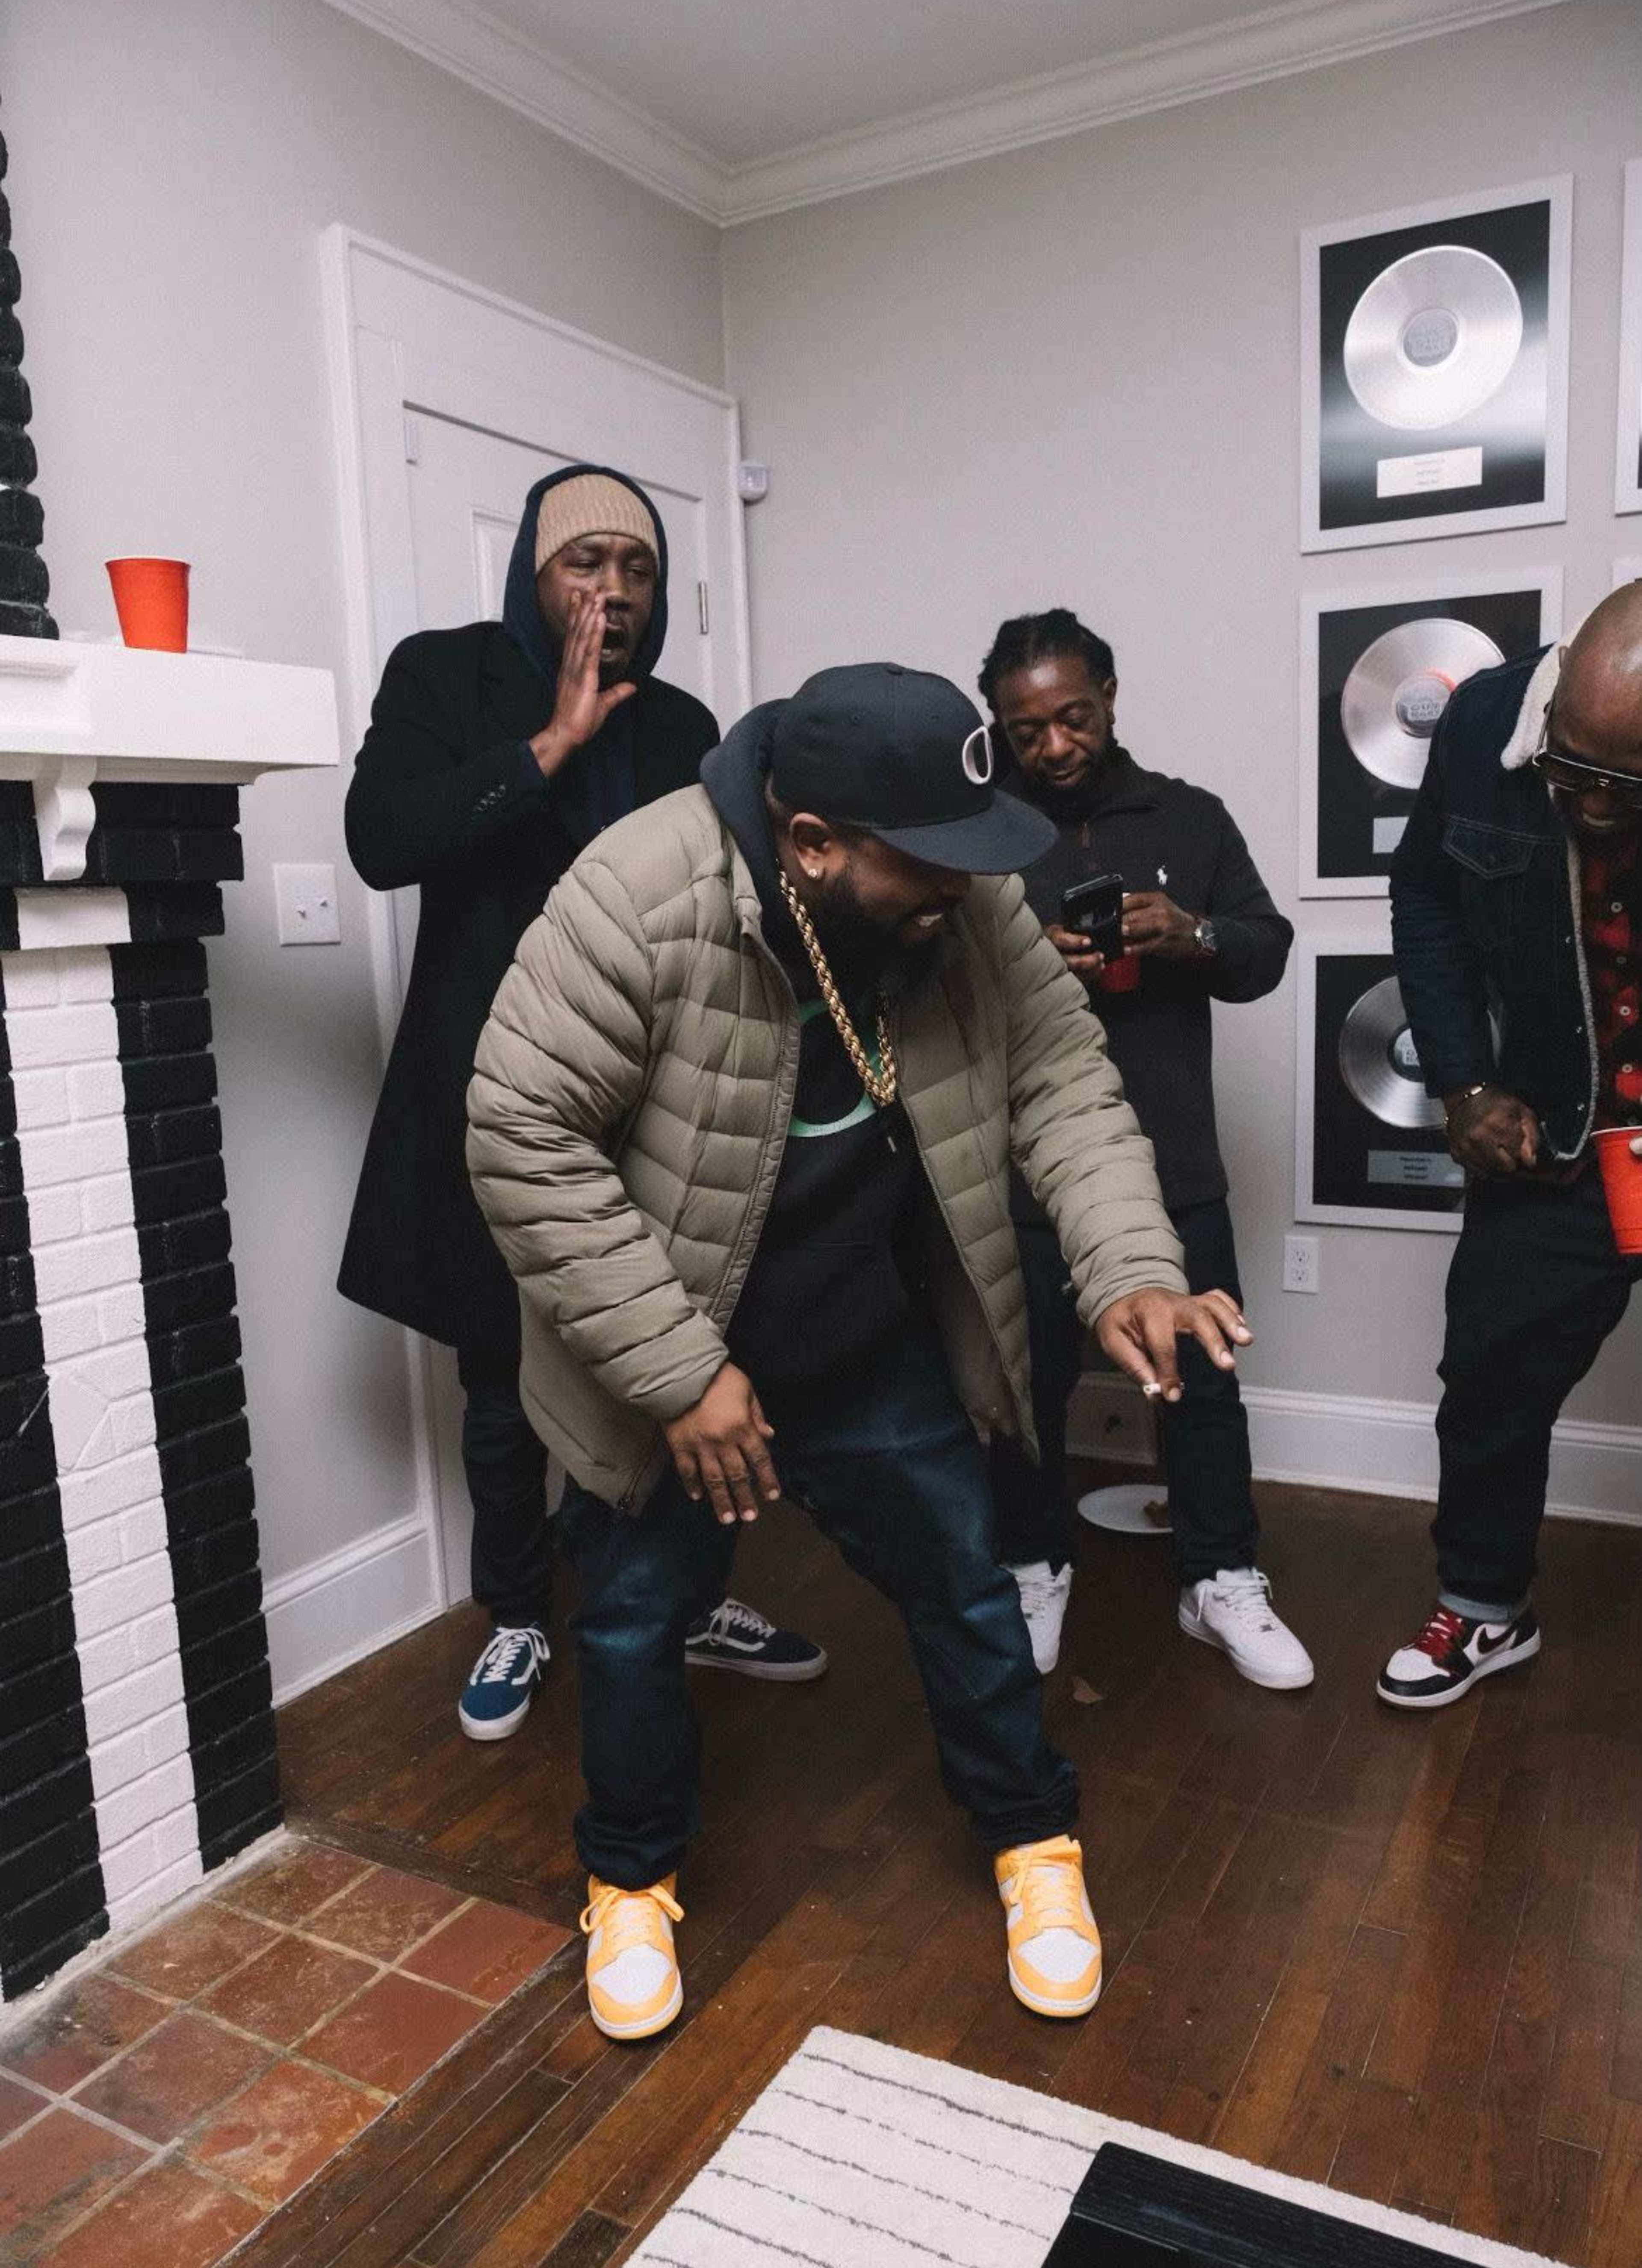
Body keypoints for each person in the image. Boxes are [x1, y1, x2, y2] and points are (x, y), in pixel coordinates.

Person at [467, 660, 1253, 2040]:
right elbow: (519, 1137)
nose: (972, 887)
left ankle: (1032, 1841)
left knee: (965, 1575)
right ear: (812, 845)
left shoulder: (960, 886)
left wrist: (1132, 1261)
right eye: (932, 866)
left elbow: (1063, 1076)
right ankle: (632, 1876)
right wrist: (677, 1373)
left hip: (860, 1328)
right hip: (673, 1344)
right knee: (638, 1617)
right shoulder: (637, 895)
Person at [339, 464, 824, 1742]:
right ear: (535, 575)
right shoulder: (444, 677)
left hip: (659, 1102)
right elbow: (382, 838)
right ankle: (515, 1609)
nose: (612, 591)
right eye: (583, 563)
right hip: (495, 1090)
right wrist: (548, 746)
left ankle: (685, 1595)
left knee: (673, 1348)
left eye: (638, 568)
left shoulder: (683, 724)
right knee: (499, 1374)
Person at [978, 609, 1311, 1690]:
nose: (1057, 747)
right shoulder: (978, 838)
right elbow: (925, 997)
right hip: (1021, 1170)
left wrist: (1191, 934)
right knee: (1021, 1391)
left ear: (1112, 695)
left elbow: (1265, 951)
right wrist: (1026, 967)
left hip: (1174, 1166)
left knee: (1204, 1381)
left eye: (1073, 717)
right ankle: (1034, 1567)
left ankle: (1220, 1578)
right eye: (1028, 731)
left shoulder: (1191, 817)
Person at [1382, 583, 1642, 1708]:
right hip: (1562, 1130)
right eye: (1567, 769)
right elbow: (1427, 899)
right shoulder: (1487, 716)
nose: (1586, 804)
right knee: (1490, 1373)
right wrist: (1464, 1081)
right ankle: (1485, 1609)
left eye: (1620, 786)